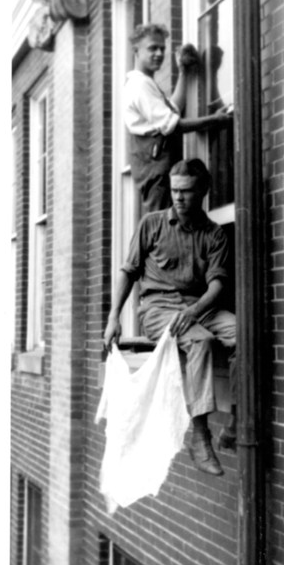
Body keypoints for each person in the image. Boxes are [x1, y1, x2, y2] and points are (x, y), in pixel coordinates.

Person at [104, 158, 236, 477]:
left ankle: (236, 419)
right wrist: (113, 317)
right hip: (158, 309)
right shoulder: (151, 224)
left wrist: (193, 310)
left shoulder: (214, 234)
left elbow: (217, 284)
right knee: (200, 342)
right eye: (175, 190)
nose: (178, 197)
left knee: (243, 333)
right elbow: (128, 272)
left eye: (187, 191)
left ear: (203, 191)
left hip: (198, 307)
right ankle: (200, 435)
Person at [123, 23, 230, 215]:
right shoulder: (139, 85)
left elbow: (173, 109)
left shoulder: (146, 83)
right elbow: (173, 125)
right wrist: (215, 119)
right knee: (164, 226)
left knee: (169, 225)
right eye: (152, 48)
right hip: (156, 171)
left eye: (162, 48)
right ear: (136, 51)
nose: (159, 53)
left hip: (161, 169)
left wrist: (183, 72)